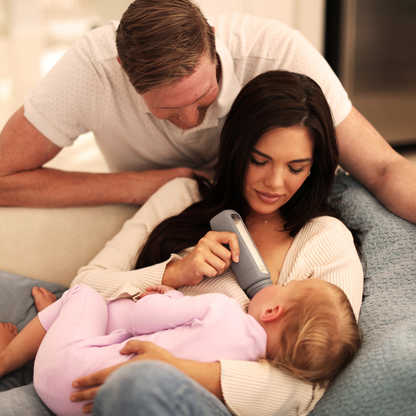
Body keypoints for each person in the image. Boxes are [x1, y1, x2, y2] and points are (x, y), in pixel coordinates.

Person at [0, 70, 364, 415]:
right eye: (259, 160)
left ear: (314, 167)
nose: (274, 183)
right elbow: (85, 285)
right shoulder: (182, 196)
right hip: (91, 354)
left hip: (167, 395)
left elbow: (309, 385)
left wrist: (174, 369)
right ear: (237, 149)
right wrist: (176, 272)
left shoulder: (324, 239)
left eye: (295, 167)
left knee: (138, 386)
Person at [0, 0, 414, 224]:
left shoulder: (277, 52)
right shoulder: (90, 70)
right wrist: (138, 186)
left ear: (213, 42)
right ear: (123, 70)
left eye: (203, 99)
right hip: (158, 214)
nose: (191, 122)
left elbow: (382, 168)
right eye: (167, 111)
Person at [0, 278, 360, 416]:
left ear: (272, 310)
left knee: (85, 295)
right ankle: (57, 331)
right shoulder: (236, 382)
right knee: (117, 318)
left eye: (289, 284)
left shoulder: (224, 309)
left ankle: (9, 355)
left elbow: (142, 318)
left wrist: (168, 297)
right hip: (88, 406)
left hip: (64, 375)